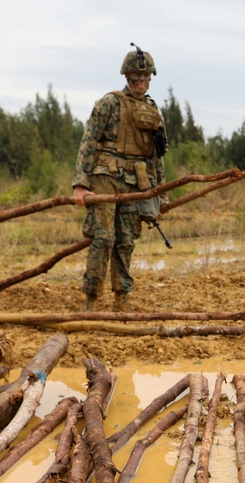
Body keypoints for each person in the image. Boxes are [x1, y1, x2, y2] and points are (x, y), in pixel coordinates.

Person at [72, 44, 167, 312]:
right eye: (136, 78)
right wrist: (81, 184)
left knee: (126, 241)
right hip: (105, 177)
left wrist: (160, 194)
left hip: (136, 182)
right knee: (103, 239)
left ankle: (121, 300)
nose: (141, 82)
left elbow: (157, 155)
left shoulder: (152, 110)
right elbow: (88, 142)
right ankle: (90, 301)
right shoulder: (109, 103)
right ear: (126, 78)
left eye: (146, 78)